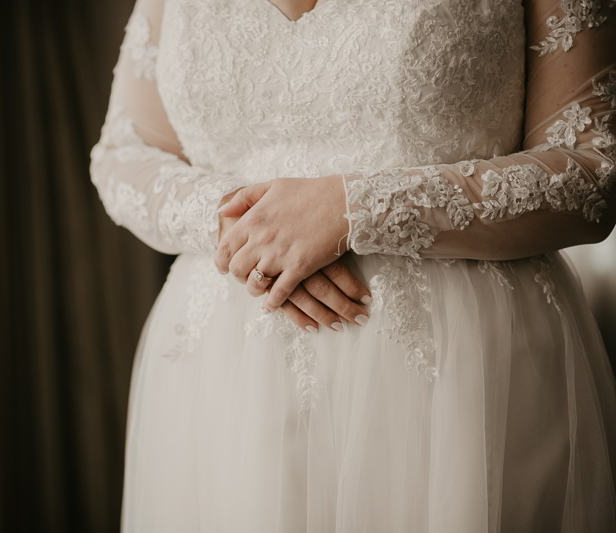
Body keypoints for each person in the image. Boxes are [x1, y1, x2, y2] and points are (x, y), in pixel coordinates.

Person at [90, 0, 616, 530]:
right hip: (223, 375)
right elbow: (122, 153)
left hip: (459, 367)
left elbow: (591, 172)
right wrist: (243, 225)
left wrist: (355, 207)